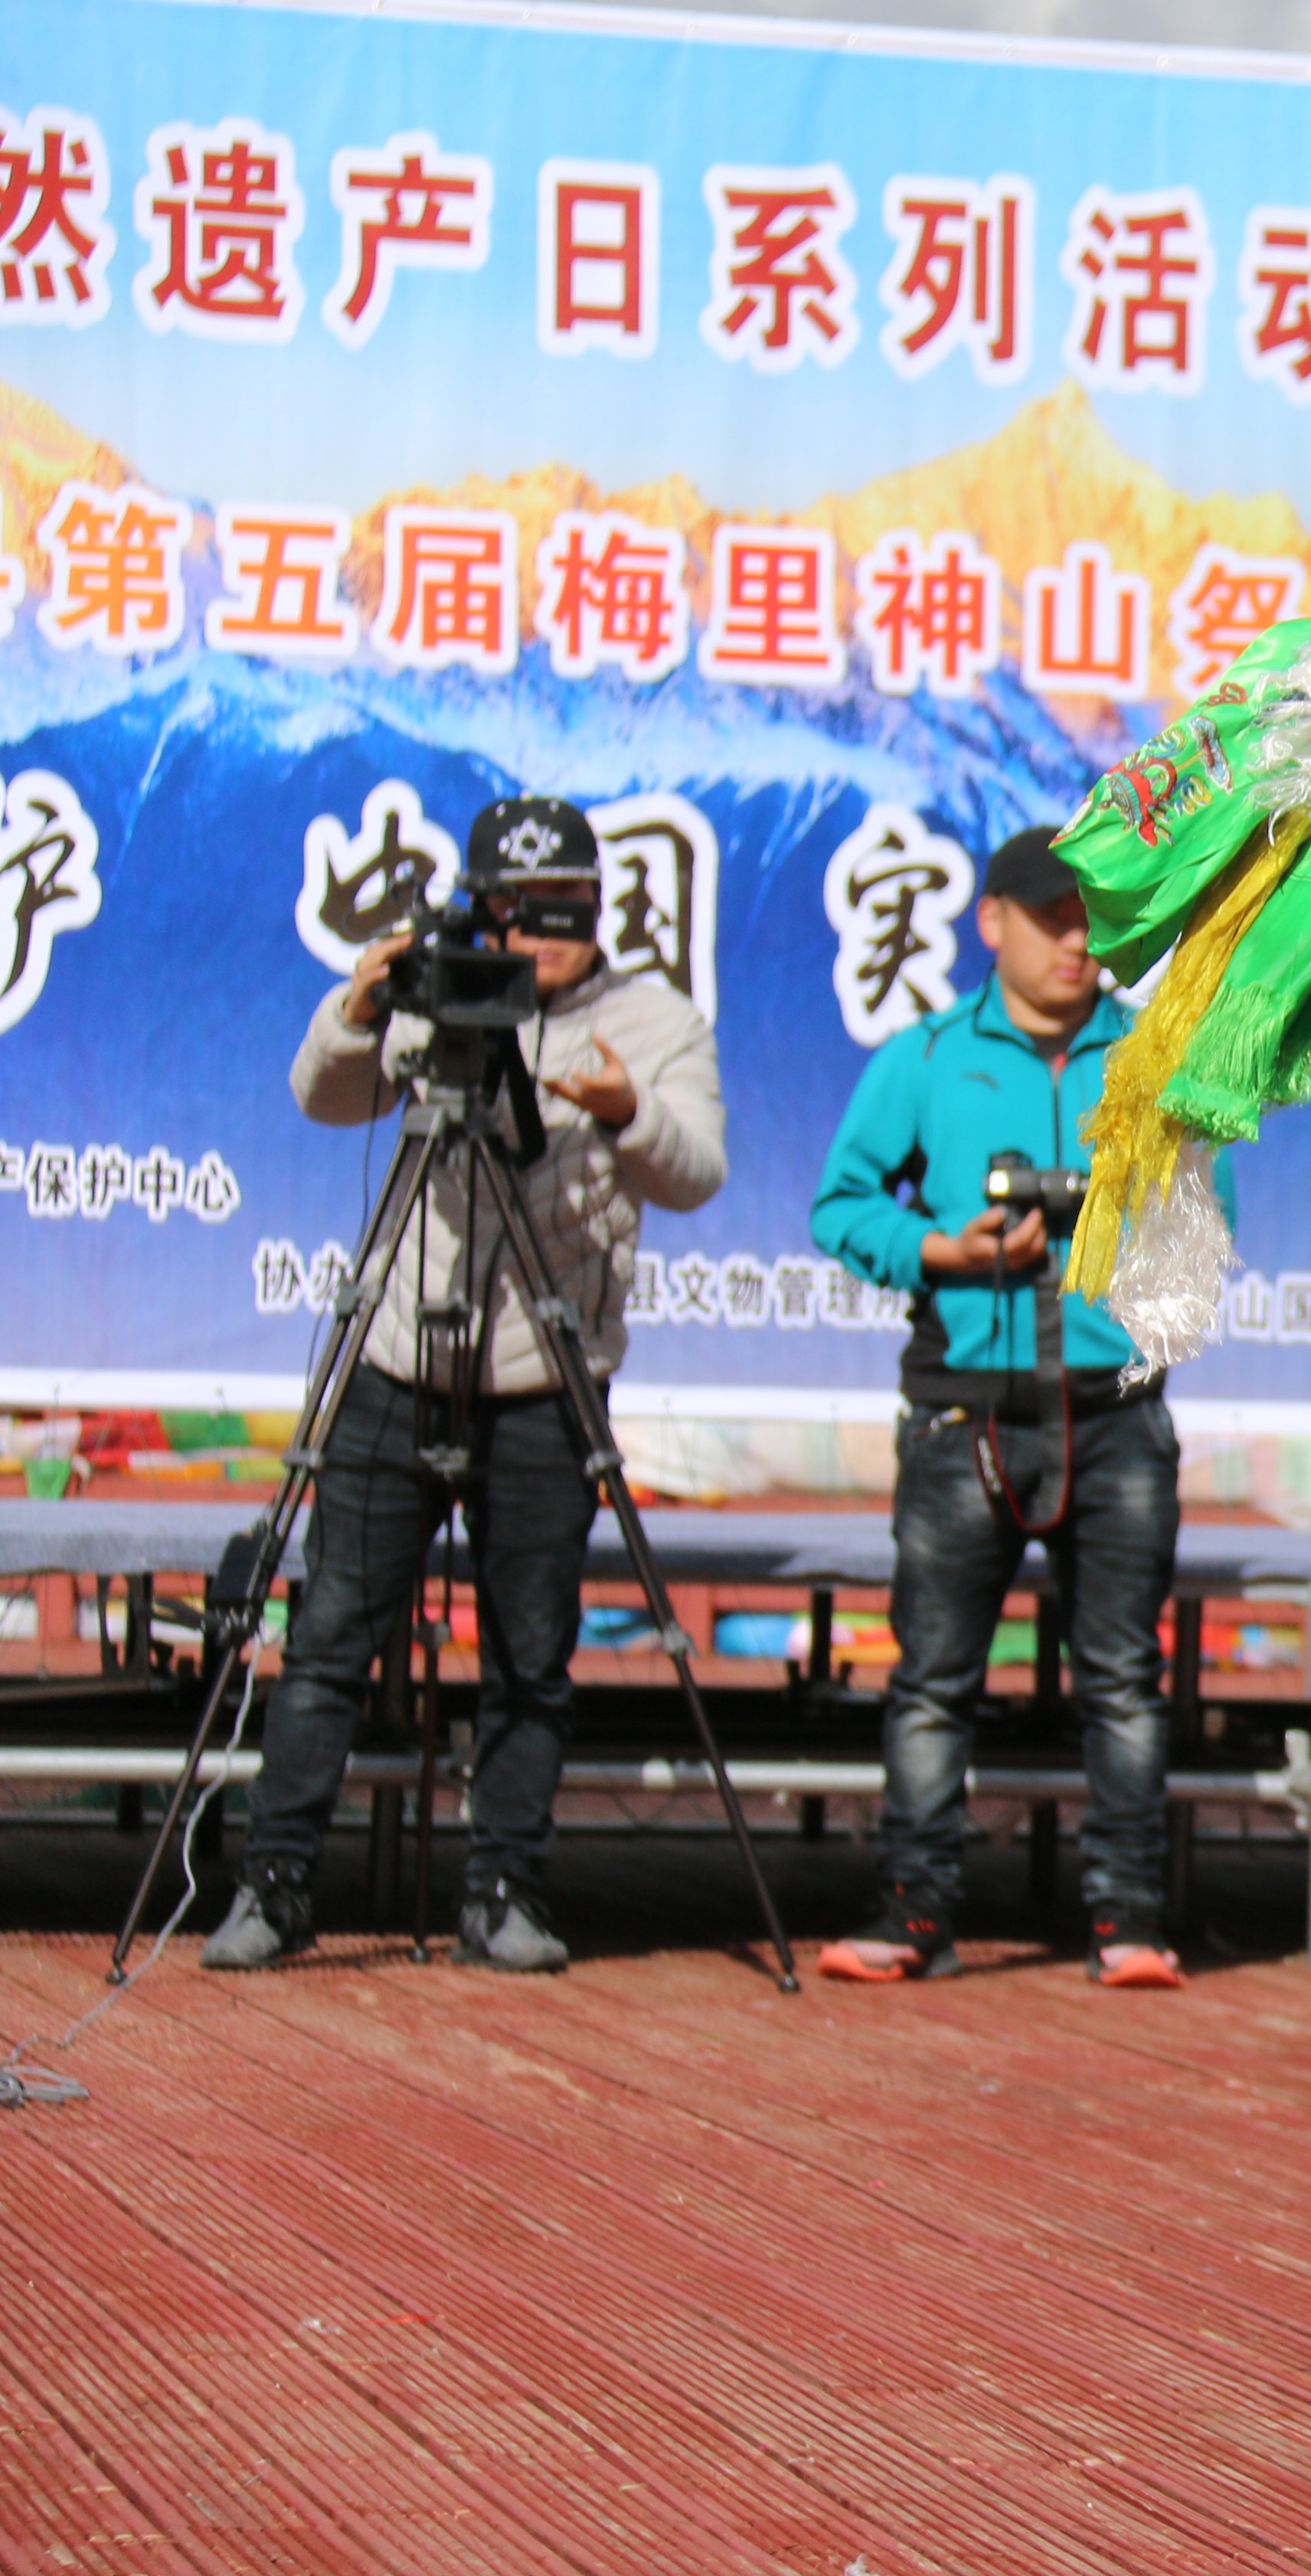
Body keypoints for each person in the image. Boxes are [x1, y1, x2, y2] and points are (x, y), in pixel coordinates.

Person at [204, 796, 729, 1975]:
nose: (540, 937)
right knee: (332, 1633)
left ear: (602, 912)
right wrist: (361, 1006)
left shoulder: (656, 1022)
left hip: (549, 1375)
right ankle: (276, 1884)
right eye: (516, 912)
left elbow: (697, 1170)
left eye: (565, 914)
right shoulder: (436, 991)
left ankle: (506, 1892)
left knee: (530, 1653)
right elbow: (325, 1096)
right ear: (477, 908)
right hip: (400, 1363)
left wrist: (627, 1109)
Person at [806, 828, 1221, 1990]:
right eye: (1053, 917)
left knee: (1124, 1682)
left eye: (1094, 917)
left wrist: (1123, 1255)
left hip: (1117, 1410)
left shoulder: (1154, 1059)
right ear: (992, 923)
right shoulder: (926, 1058)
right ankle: (910, 1914)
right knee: (934, 1682)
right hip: (962, 1409)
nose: (1081, 941)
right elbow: (839, 1206)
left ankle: (1131, 1919)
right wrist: (940, 1247)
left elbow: (1207, 1209)